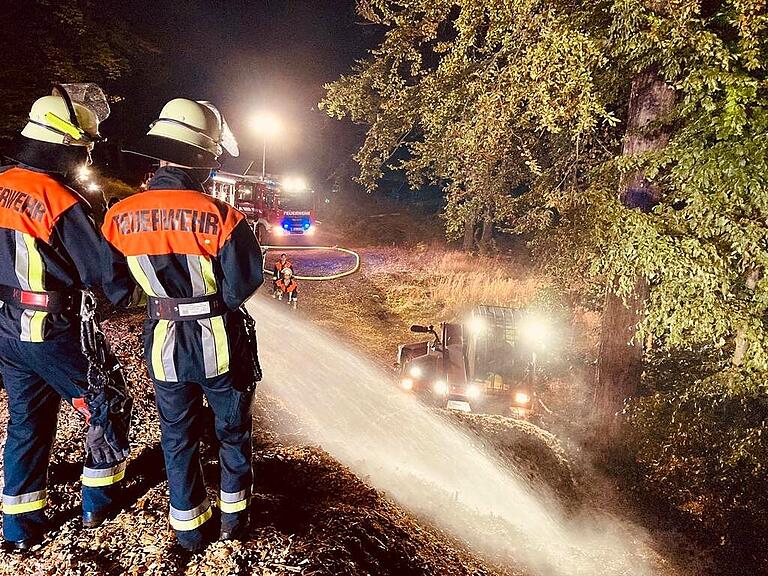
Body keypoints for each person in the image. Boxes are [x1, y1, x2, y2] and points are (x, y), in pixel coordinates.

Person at [101, 98, 263, 551]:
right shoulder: (221, 216)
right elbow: (242, 285)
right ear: (203, 158)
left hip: (163, 343)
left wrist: (154, 296)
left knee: (176, 436)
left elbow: (113, 287)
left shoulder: (119, 215)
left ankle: (189, 529)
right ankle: (235, 520)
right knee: (231, 431)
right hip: (219, 343)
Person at [0, 84, 128, 551]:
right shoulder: (62, 201)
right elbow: (105, 276)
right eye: (82, 149)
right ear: (63, 145)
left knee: (27, 422)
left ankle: (19, 527)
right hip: (52, 331)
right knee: (108, 400)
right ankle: (100, 502)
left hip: (7, 330)